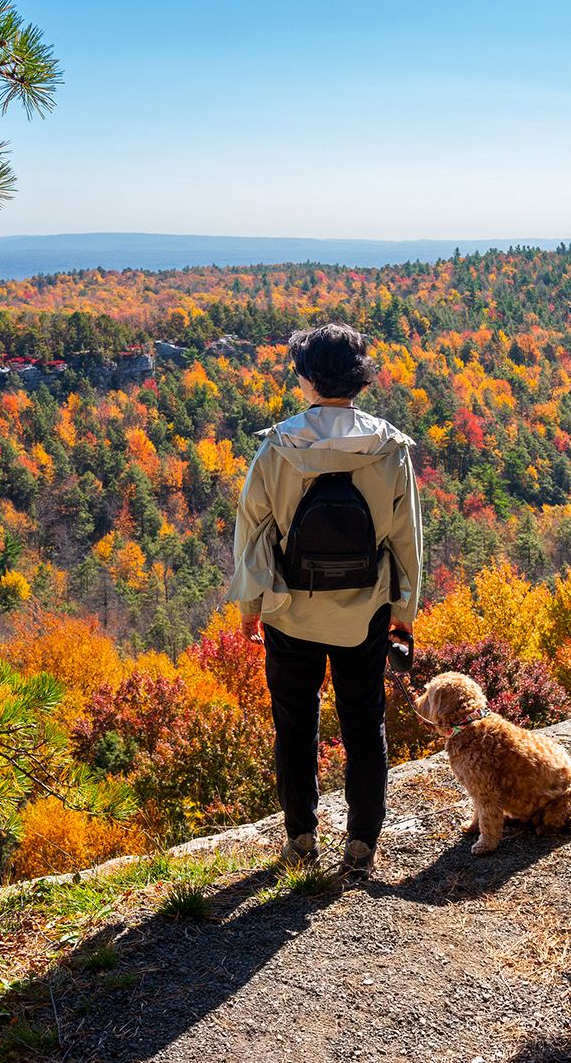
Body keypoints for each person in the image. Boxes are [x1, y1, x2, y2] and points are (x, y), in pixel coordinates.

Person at [229, 322, 422, 879]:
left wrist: (251, 607)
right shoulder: (389, 449)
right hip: (367, 610)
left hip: (291, 608)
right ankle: (361, 844)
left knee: (295, 724)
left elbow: (253, 530)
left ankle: (301, 839)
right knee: (364, 723)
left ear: (308, 378)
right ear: (358, 379)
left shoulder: (279, 446)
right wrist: (403, 614)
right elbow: (405, 536)